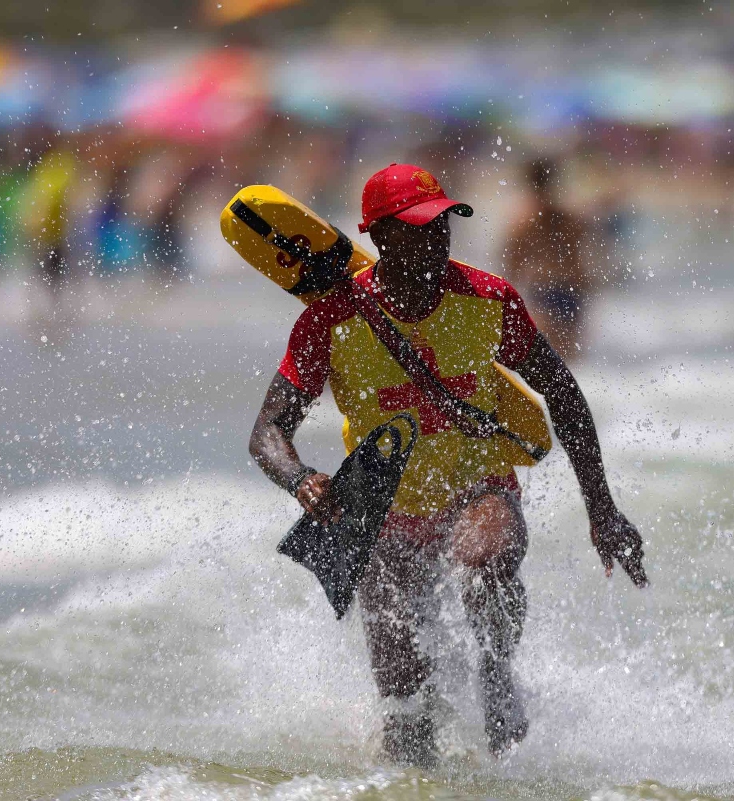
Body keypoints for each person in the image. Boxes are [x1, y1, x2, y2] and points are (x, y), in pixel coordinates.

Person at [249, 163, 647, 767]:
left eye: (443, 223)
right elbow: (268, 432)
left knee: (485, 556)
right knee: (406, 712)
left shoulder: (488, 300)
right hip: (383, 510)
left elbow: (563, 395)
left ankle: (497, 675)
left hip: (478, 485)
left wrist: (604, 510)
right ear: (379, 235)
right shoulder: (329, 320)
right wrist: (300, 478)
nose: (437, 238)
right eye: (417, 228)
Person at [502, 157, 596, 359]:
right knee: (570, 358)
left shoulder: (524, 221)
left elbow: (513, 262)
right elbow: (579, 257)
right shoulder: (569, 217)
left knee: (549, 359)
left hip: (544, 289)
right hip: (570, 289)